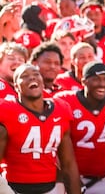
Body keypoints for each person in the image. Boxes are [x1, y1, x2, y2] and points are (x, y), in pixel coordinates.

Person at [0, 64, 82, 193]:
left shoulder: (61, 110)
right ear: (16, 87)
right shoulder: (7, 111)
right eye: (24, 76)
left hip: (50, 188)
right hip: (14, 188)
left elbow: (68, 163)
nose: (32, 78)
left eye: (36, 74)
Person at [54, 62, 105, 194]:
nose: (102, 84)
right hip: (75, 177)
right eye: (96, 79)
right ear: (84, 81)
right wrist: (71, 179)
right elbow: (55, 144)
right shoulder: (65, 101)